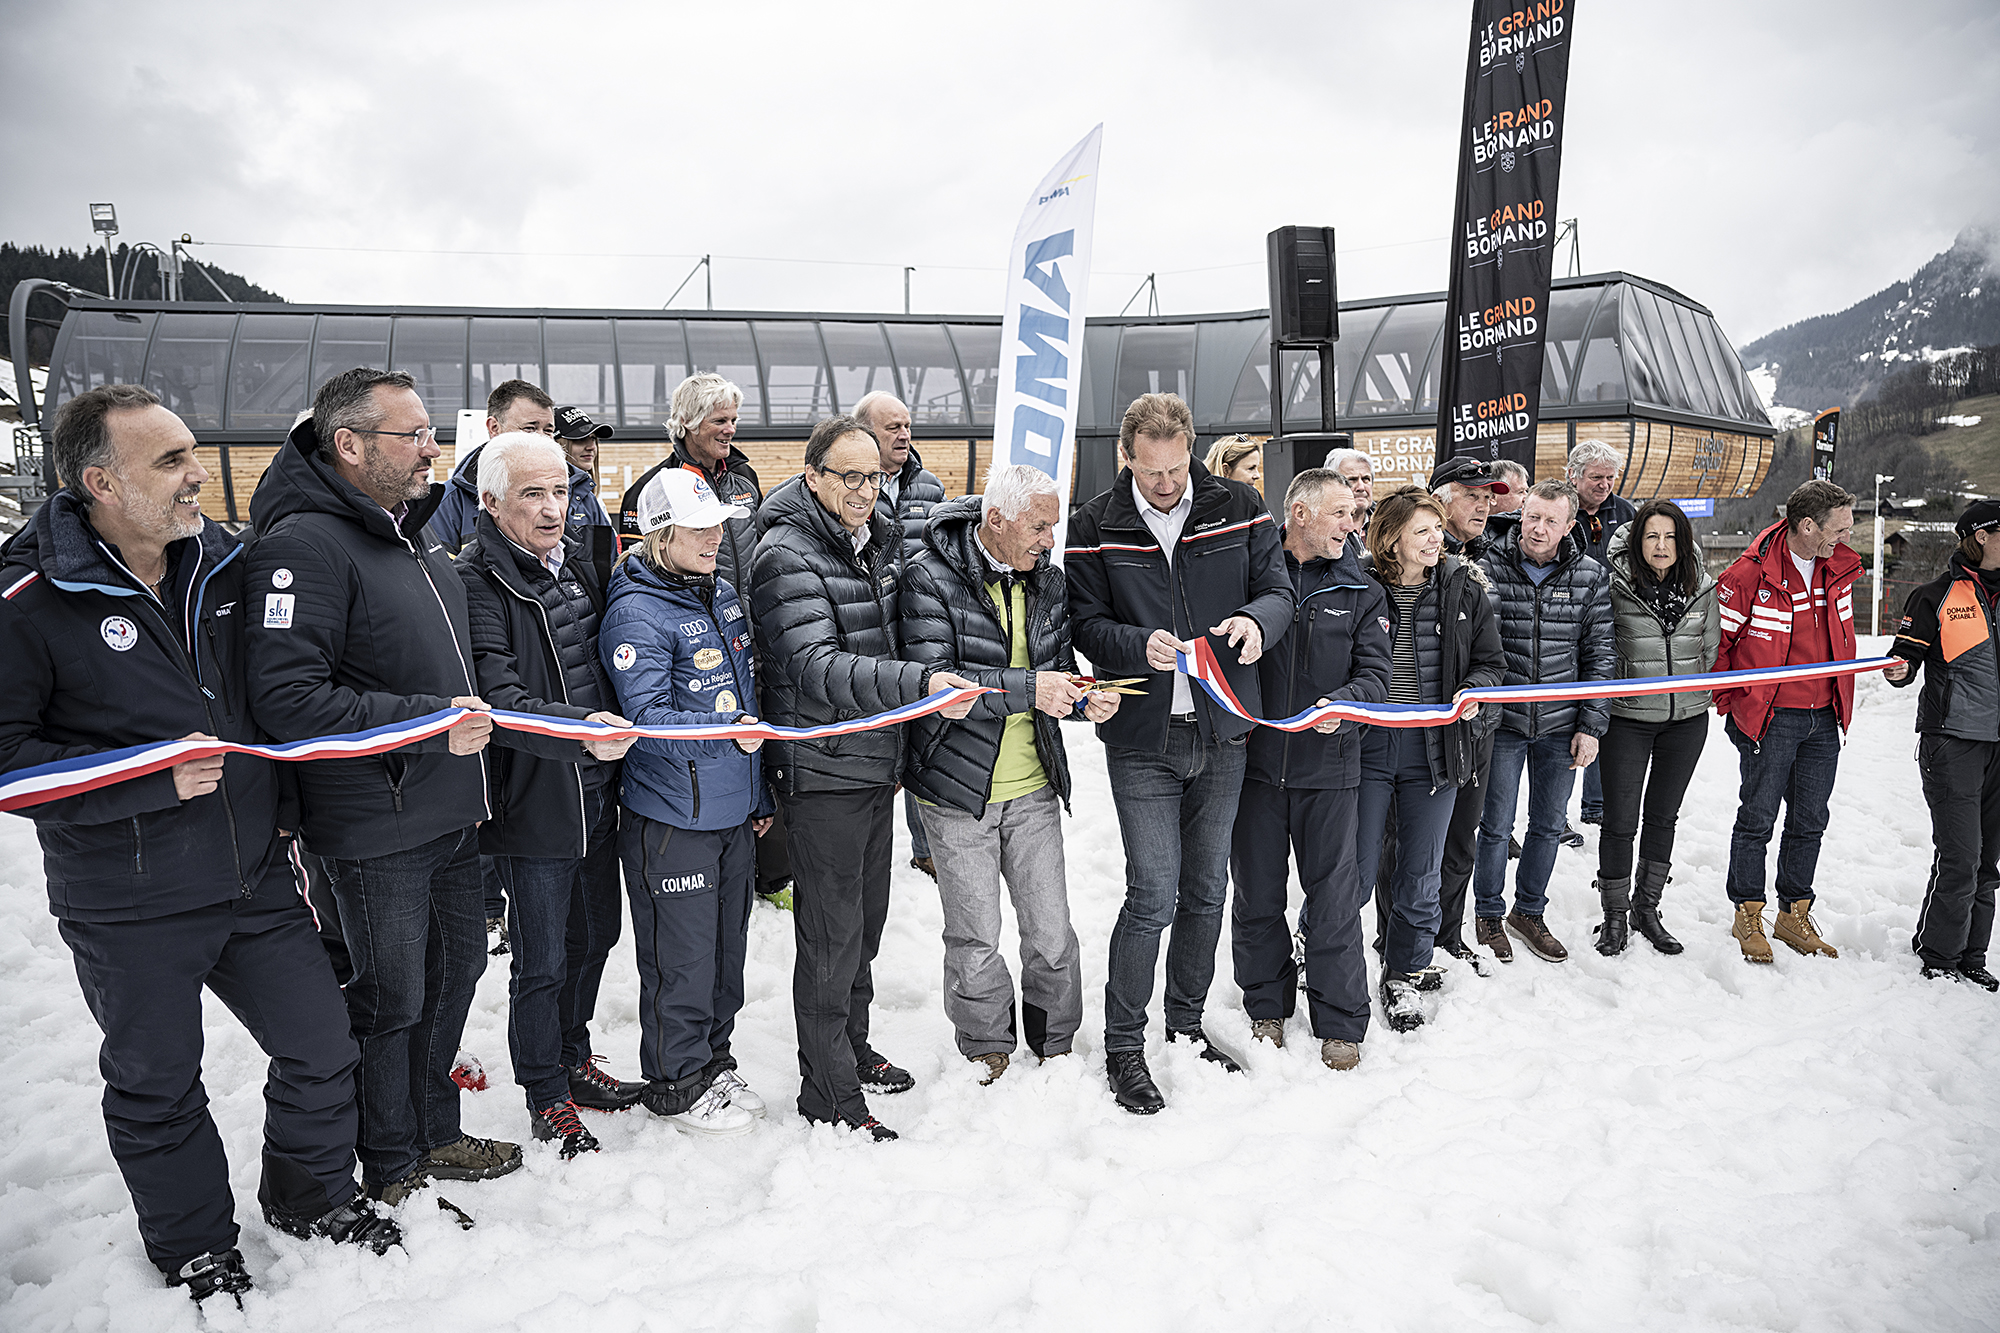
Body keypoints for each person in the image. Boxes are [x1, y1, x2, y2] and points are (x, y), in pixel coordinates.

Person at [0, 385, 399, 1306]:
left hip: (252, 875)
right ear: (100, 481)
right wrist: (143, 775)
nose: (197, 477)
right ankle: (194, 1244)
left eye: (191, 452)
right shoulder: (28, 597)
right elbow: (9, 764)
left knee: (321, 1047)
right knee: (158, 1084)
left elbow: (276, 697)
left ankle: (309, 1198)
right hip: (128, 898)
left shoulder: (226, 563)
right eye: (170, 461)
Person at [246, 367, 522, 1206]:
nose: (433, 448)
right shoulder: (305, 545)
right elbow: (289, 698)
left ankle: (433, 1127)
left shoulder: (413, 532)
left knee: (457, 970)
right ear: (351, 445)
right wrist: (430, 720)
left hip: (445, 809)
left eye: (433, 432)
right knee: (392, 996)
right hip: (376, 822)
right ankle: (390, 1158)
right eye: (415, 435)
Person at [750, 414, 977, 1141]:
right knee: (829, 934)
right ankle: (830, 1093)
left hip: (874, 761)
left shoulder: (872, 535)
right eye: (848, 475)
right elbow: (814, 665)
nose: (863, 489)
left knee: (865, 928)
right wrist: (920, 681)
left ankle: (851, 1044)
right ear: (811, 475)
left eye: (873, 476)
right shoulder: (786, 553)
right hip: (823, 772)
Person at [1067, 391, 1293, 1114]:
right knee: (1152, 892)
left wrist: (1258, 624)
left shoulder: (1240, 504)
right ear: (1126, 456)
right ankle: (1124, 1044)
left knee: (1206, 890)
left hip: (1224, 729)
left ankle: (1187, 1023)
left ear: (1190, 449)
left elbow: (1278, 590)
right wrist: (1139, 645)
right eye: (1150, 471)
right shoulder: (1094, 523)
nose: (1165, 483)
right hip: (1143, 740)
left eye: (1175, 469)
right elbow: (1085, 623)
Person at [454, 432, 642, 1157]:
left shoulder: (571, 567)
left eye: (561, 490)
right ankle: (545, 1092)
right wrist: (580, 730)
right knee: (542, 957)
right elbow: (500, 697)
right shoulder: (478, 580)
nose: (552, 507)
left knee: (595, 935)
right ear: (491, 500)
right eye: (533, 493)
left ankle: (573, 1054)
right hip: (537, 795)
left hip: (597, 784)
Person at [900, 465, 1120, 1082]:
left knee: (1051, 931)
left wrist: (1084, 697)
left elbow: (1056, 670)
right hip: (956, 789)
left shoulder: (1048, 581)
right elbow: (937, 684)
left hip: (1033, 788)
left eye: (1053, 525)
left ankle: (1055, 1041)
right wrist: (1034, 688)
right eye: (1040, 525)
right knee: (974, 935)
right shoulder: (928, 577)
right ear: (996, 521)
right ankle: (985, 1044)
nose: (1051, 538)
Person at [604, 467, 778, 1134]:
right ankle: (676, 1081)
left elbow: (749, 706)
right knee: (681, 960)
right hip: (673, 817)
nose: (714, 538)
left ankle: (714, 1060)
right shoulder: (635, 612)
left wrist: (758, 788)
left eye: (718, 527)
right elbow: (645, 717)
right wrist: (725, 739)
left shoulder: (723, 593)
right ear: (661, 533)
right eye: (701, 528)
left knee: (725, 955)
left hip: (733, 811)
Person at [1230, 470, 1392, 1067]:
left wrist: (1345, 706)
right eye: (1341, 513)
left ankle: (1342, 1020)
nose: (1353, 525)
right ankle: (1266, 1006)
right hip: (1254, 772)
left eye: (1354, 514)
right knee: (1256, 896)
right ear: (1300, 513)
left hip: (1331, 771)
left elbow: (1378, 677)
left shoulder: (1361, 589)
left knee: (1334, 900)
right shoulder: (1250, 573)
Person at [617, 375, 788, 905]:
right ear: (688, 424)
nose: (730, 430)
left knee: (751, 737)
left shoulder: (743, 476)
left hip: (733, 622)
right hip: (683, 639)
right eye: (719, 420)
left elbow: (752, 548)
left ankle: (767, 872)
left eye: (735, 419)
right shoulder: (653, 489)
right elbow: (639, 568)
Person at [1355, 487, 1505, 1029]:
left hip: (1433, 749)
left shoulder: (1463, 588)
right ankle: (1330, 960)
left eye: (1438, 529)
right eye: (1422, 531)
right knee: (1357, 866)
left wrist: (1473, 690)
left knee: (1421, 871)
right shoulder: (1359, 585)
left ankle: (1405, 975)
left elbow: (1493, 663)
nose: (1436, 539)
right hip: (1368, 747)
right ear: (1391, 539)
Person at [1712, 479, 1862, 964]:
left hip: (1824, 717)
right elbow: (1721, 648)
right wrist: (1740, 706)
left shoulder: (1837, 568)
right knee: (1757, 818)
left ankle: (1793, 913)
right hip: (1772, 719)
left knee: (1810, 819)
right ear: (1807, 525)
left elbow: (1841, 639)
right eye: (1838, 527)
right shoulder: (1748, 574)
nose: (1847, 535)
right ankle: (1748, 912)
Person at [1473, 479, 1616, 964]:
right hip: (1504, 723)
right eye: (1532, 516)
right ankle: (1489, 913)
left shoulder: (1591, 576)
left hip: (1560, 725)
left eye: (1551, 520)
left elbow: (1600, 655)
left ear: (1569, 525)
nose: (1538, 528)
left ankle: (1528, 910)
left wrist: (1591, 726)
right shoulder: (1488, 565)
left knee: (1550, 822)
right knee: (1494, 824)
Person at [1593, 500, 1720, 956]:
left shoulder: (1703, 588)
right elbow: (1603, 649)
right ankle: (1613, 916)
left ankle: (1647, 908)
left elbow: (1709, 651)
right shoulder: (1615, 587)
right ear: (1637, 541)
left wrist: (1690, 695)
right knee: (1620, 820)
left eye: (1669, 537)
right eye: (1651, 536)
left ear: (1682, 542)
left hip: (1686, 722)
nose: (1661, 546)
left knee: (1663, 817)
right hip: (1629, 720)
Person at [1886, 499, 2000, 992]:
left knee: (1988, 859)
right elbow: (1905, 659)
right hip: (1952, 742)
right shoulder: (1935, 596)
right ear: (1981, 536)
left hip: (1999, 745)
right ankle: (1939, 954)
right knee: (1961, 855)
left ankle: (1972, 955)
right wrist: (1899, 669)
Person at [853, 390, 948, 880]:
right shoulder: (846, 487)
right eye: (893, 427)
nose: (905, 435)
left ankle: (926, 846)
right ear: (865, 432)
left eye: (908, 425)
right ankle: (867, 843)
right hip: (869, 633)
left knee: (926, 729)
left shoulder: (928, 487)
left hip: (921, 629)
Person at [1568, 439, 1635, 828]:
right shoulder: (1556, 506)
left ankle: (1595, 806)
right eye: (1596, 477)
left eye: (1610, 477)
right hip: (1564, 624)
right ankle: (1553, 812)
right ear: (1573, 476)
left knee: (1600, 712)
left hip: (1609, 625)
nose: (1604, 484)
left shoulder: (1624, 512)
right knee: (1563, 717)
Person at [425, 379, 559, 555]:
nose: (543, 439)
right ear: (494, 428)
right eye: (530, 429)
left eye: (548, 431)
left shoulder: (580, 493)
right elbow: (443, 578)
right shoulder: (449, 503)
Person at [551, 405, 617, 540]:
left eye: (593, 438)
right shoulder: (550, 497)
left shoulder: (591, 495)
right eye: (580, 439)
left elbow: (607, 553)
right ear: (558, 445)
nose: (591, 447)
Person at [1430, 455, 1511, 560]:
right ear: (1439, 501)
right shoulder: (1422, 557)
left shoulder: (1494, 554)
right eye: (1472, 495)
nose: (1484, 508)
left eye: (1487, 497)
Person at [1325, 447, 1376, 551]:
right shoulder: (1322, 528)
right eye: (1352, 480)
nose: (1361, 487)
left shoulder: (1388, 522)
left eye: (1366, 479)